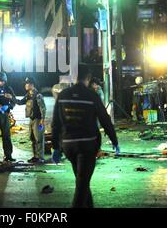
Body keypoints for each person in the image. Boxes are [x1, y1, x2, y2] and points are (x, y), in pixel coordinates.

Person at [51, 64, 119, 208]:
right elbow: (104, 119)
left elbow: (55, 123)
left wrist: (56, 147)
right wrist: (114, 140)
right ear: (87, 78)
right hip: (87, 145)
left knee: (82, 181)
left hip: (68, 146)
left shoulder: (63, 95)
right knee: (82, 184)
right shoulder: (92, 95)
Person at [16, 77, 46, 163]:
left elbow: (43, 108)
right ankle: (35, 156)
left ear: (32, 85)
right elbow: (20, 102)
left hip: (37, 120)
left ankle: (40, 157)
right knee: (32, 138)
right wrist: (11, 98)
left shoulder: (38, 95)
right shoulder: (28, 95)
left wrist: (42, 120)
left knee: (39, 138)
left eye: (27, 83)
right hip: (31, 119)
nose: (25, 85)